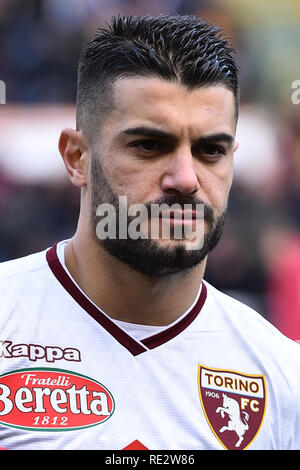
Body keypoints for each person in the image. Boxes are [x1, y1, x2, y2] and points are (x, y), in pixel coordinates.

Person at [0, 14, 299, 451]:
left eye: (210, 151)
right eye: (149, 146)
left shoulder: (282, 379)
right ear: (77, 157)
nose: (185, 178)